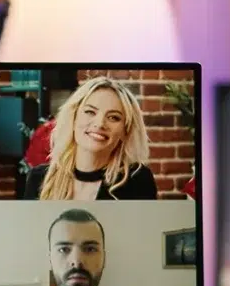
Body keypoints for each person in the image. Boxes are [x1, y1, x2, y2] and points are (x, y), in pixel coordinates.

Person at [12, 208, 156, 286]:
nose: (77, 261)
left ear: (104, 257)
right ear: (50, 259)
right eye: (64, 249)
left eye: (90, 249)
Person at [22, 77, 158, 200]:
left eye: (113, 117)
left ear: (125, 131)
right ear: (73, 118)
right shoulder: (39, 178)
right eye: (90, 112)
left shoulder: (137, 179)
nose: (99, 123)